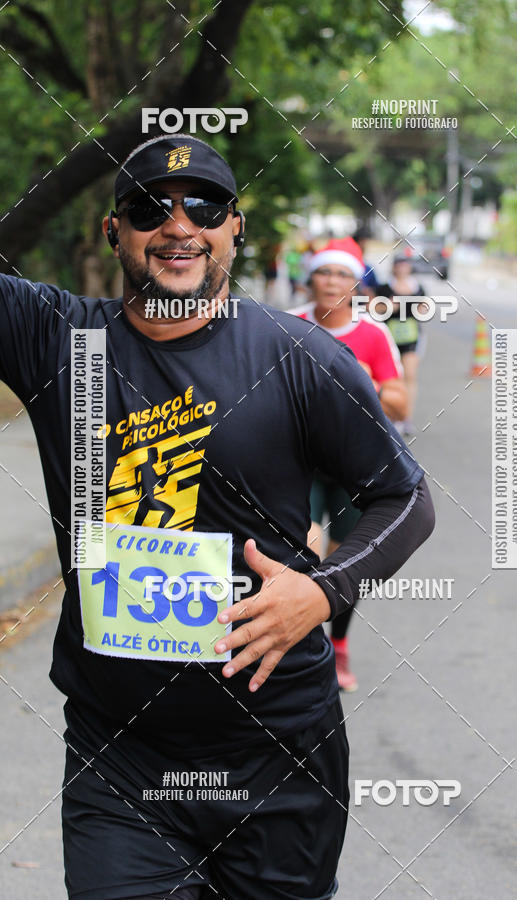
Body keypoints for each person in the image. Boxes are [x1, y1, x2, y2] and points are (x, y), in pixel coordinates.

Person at [0, 134, 434, 900]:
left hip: (279, 750)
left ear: (236, 228)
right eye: (146, 208)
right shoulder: (57, 341)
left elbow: (407, 500)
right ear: (112, 232)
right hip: (121, 760)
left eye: (203, 206)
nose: (177, 226)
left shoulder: (299, 356)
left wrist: (322, 591)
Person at [292, 237, 407, 692]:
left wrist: (360, 385)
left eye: (343, 274)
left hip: (351, 469)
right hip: (296, 463)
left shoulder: (372, 335)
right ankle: (304, 649)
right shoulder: (285, 325)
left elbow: (400, 403)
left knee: (342, 564)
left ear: (357, 284)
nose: (332, 282)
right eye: (325, 272)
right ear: (311, 278)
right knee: (300, 552)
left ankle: (337, 646)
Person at [383, 250, 428, 437]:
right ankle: (392, 416)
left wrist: (420, 308)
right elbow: (374, 309)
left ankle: (406, 418)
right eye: (398, 264)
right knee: (393, 377)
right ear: (393, 267)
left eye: (405, 264)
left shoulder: (418, 288)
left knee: (410, 375)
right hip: (389, 336)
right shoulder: (384, 287)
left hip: (411, 336)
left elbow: (425, 309)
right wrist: (387, 306)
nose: (402, 268)